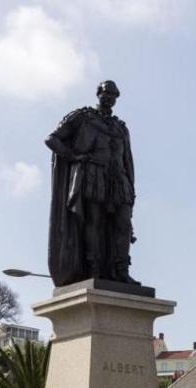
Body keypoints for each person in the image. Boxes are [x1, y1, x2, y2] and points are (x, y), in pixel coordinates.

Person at [45, 80, 138, 285]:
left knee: (123, 223)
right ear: (98, 93)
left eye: (114, 95)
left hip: (119, 179)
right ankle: (94, 269)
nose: (110, 98)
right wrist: (73, 156)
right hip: (93, 174)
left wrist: (131, 188)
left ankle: (121, 270)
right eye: (107, 93)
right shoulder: (83, 117)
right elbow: (52, 139)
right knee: (93, 222)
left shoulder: (120, 127)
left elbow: (128, 160)